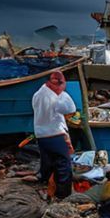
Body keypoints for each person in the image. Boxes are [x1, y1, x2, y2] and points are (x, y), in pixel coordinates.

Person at [32, 70, 77, 199]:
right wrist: (63, 94)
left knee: (48, 164)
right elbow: (70, 109)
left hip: (41, 134)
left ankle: (49, 190)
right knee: (63, 165)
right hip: (55, 134)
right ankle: (63, 194)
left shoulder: (37, 95)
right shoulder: (55, 98)